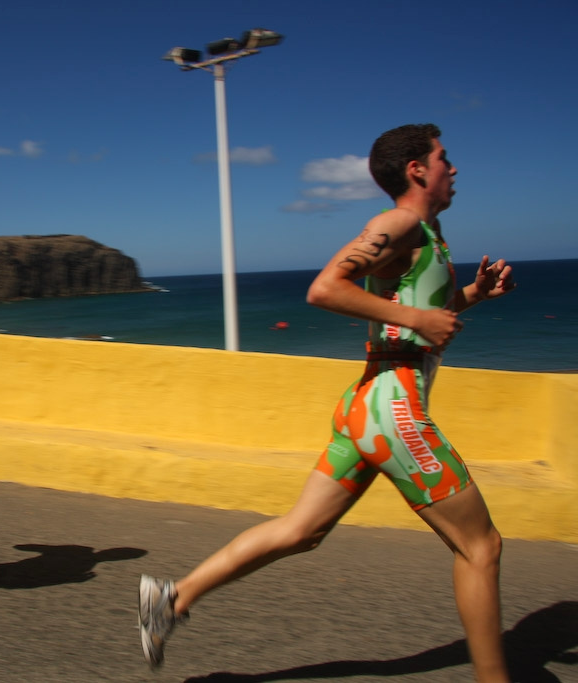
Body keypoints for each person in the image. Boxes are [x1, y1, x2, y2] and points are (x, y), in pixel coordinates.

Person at [138, 124, 515, 682]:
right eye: (443, 158)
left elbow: (417, 316)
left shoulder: (428, 234)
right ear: (417, 169)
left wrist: (472, 296)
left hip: (368, 407)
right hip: (393, 408)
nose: (453, 168)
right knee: (480, 547)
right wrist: (417, 317)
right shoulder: (400, 224)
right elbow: (326, 288)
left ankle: (171, 600)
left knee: (301, 531)